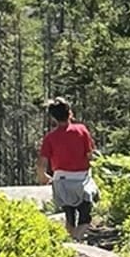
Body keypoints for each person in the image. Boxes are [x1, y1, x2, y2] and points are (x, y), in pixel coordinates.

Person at [37, 97, 98, 240]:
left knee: (69, 217)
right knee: (85, 218)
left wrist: (43, 176)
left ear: (53, 118)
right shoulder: (81, 130)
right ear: (70, 113)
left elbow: (41, 163)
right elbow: (90, 155)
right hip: (81, 180)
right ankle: (76, 239)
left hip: (61, 181)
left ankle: (71, 240)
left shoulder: (50, 138)